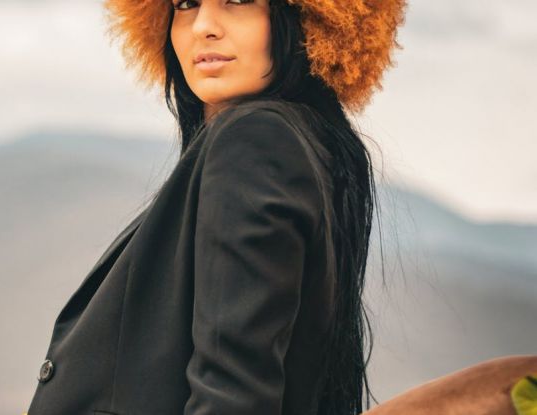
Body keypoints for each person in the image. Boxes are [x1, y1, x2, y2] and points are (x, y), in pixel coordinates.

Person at [25, 0, 406, 414]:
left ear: (306, 20)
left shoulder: (255, 141)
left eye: (238, 0)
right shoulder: (302, 144)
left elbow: (233, 396)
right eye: (185, 4)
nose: (203, 26)